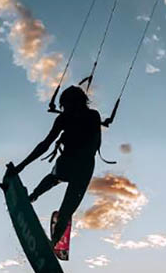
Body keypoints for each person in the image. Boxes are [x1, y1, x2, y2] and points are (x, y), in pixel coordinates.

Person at [13, 86, 101, 248]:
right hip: (68, 161)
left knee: (67, 210)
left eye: (69, 105)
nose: (66, 109)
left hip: (85, 165)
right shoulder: (63, 119)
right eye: (65, 106)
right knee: (55, 176)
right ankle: (33, 196)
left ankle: (52, 243)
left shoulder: (92, 116)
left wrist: (80, 153)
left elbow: (95, 142)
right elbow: (45, 145)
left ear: (79, 103)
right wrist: (22, 166)